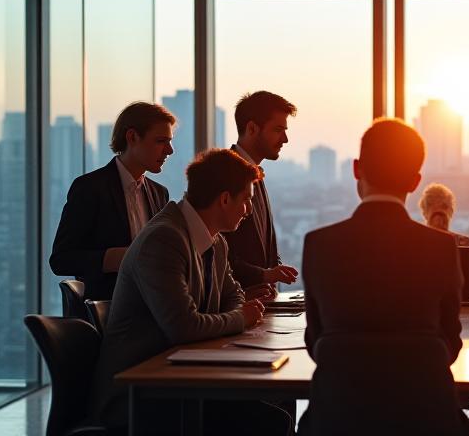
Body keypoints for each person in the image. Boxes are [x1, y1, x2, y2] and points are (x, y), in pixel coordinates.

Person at [89, 149, 291, 435]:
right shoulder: (164, 239)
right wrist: (240, 318)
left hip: (177, 378)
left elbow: (233, 295)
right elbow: (183, 327)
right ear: (224, 199)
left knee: (272, 409)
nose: (247, 211)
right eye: (246, 201)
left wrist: (238, 312)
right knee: (269, 421)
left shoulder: (215, 240)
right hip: (139, 393)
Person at [300, 118, 469, 434]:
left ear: (356, 169)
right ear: (415, 181)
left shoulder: (319, 245)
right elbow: (451, 342)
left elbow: (316, 341)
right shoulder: (442, 247)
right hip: (427, 420)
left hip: (337, 420)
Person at [49, 102, 175, 300]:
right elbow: (61, 260)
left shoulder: (160, 194)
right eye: (161, 141)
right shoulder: (89, 188)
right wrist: (113, 258)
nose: (170, 150)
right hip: (109, 312)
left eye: (169, 141)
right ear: (132, 137)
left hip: (153, 310)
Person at [224, 91, 300, 296]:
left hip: (257, 305)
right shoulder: (224, 174)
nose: (285, 139)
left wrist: (274, 272)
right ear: (251, 128)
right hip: (236, 306)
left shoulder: (255, 173)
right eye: (278, 130)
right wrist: (264, 275)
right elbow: (219, 254)